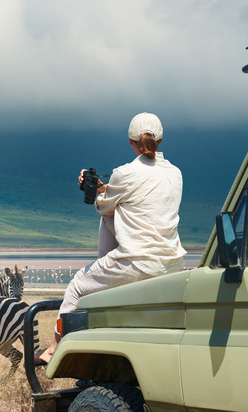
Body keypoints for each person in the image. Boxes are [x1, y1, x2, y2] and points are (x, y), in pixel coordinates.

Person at [34, 112, 186, 364]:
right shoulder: (176, 174)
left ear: (131, 142)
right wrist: (105, 187)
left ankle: (52, 349)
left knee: (77, 286)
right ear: (160, 141)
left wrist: (93, 188)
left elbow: (105, 207)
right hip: (172, 265)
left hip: (135, 263)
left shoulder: (124, 173)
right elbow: (137, 194)